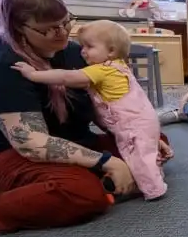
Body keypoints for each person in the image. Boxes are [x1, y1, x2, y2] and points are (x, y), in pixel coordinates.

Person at [0, 0, 173, 233]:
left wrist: (140, 132)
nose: (62, 32)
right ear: (19, 27)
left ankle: (91, 183)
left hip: (67, 139)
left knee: (149, 141)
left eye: (65, 22)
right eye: (49, 29)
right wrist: (108, 162)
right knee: (85, 193)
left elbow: (107, 102)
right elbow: (31, 143)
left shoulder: (75, 53)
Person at [11, 20, 167, 201]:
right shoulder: (118, 67)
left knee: (138, 157)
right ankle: (151, 175)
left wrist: (33, 75)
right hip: (142, 121)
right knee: (145, 153)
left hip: (132, 125)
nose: (82, 51)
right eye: (83, 45)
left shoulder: (101, 70)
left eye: (89, 46)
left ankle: (153, 190)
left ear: (111, 51)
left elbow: (67, 76)